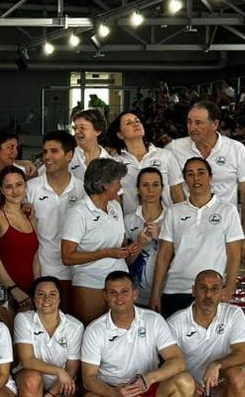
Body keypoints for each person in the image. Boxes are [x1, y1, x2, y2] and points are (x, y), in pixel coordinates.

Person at [78, 271, 198, 397]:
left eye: (124, 291)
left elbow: (177, 360)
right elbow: (89, 378)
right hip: (112, 395)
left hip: (148, 390)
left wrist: (148, 378)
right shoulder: (95, 330)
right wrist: (115, 392)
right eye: (113, 292)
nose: (119, 297)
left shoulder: (153, 320)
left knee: (185, 381)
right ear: (105, 295)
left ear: (134, 293)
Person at [150, 157, 244, 318]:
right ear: (185, 179)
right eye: (190, 174)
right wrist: (155, 292)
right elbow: (164, 255)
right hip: (175, 289)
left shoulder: (227, 210)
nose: (196, 178)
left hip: (210, 292)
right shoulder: (174, 211)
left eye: (201, 172)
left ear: (210, 176)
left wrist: (229, 288)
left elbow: (234, 254)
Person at [167, 101, 245, 248]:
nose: (192, 128)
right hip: (186, 231)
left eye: (198, 123)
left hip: (224, 231)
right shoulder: (174, 148)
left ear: (214, 125)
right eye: (189, 122)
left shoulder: (236, 149)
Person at [13, 277, 84, 397]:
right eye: (41, 294)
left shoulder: (75, 326)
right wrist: (59, 371)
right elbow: (27, 360)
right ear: (34, 298)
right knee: (32, 376)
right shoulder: (23, 319)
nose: (46, 299)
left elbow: (72, 370)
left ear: (60, 299)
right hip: (30, 379)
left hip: (59, 384)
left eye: (52, 294)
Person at [60, 158, 135, 324]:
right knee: (89, 332)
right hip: (89, 282)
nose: (121, 186)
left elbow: (121, 245)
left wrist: (131, 248)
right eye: (118, 181)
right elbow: (67, 257)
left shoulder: (115, 206)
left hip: (119, 281)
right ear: (106, 184)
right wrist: (106, 252)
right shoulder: (78, 212)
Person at [26, 131, 86, 291]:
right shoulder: (31, 188)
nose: (46, 156)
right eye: (45, 151)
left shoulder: (83, 189)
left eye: (54, 151)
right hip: (42, 271)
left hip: (76, 273)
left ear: (69, 155)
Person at [109, 111, 182, 214]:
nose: (135, 124)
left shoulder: (166, 155)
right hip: (132, 224)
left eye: (137, 121)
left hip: (166, 222)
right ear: (120, 134)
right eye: (128, 123)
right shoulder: (115, 162)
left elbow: (177, 194)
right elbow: (116, 199)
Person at [0, 166, 39, 317]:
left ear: (26, 186)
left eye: (19, 185)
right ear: (1, 190)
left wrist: (38, 288)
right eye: (8, 186)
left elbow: (36, 257)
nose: (15, 191)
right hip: (6, 291)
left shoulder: (29, 216)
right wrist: (13, 289)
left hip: (31, 290)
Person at [123, 167, 166, 306]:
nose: (150, 190)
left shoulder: (173, 217)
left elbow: (184, 257)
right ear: (138, 188)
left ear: (162, 188)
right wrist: (139, 244)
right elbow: (124, 262)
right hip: (136, 296)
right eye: (145, 185)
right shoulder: (128, 220)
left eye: (155, 185)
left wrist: (162, 237)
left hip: (167, 293)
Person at [68, 109, 112, 181]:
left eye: (82, 128)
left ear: (98, 131)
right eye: (75, 128)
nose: (77, 132)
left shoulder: (110, 162)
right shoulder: (66, 157)